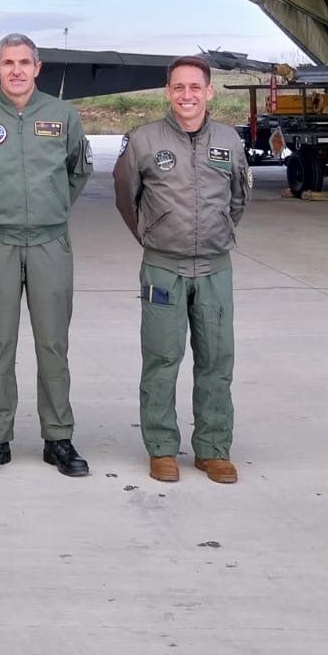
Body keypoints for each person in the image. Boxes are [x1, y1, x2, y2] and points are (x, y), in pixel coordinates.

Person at [0, 32, 92, 478]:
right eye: (7, 63)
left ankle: (58, 438)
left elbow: (78, 171)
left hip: (50, 243)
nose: (16, 70)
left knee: (53, 343)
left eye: (24, 62)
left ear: (37, 67)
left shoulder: (62, 115)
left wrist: (52, 207)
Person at [112, 55, 250, 484]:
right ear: (168, 92)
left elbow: (238, 199)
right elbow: (125, 197)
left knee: (216, 359)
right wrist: (155, 236)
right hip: (162, 269)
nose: (187, 95)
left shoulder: (229, 140)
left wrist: (217, 233)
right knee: (161, 358)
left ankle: (212, 449)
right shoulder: (144, 140)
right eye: (178, 87)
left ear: (209, 92)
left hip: (214, 268)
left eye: (195, 87)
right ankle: (162, 449)